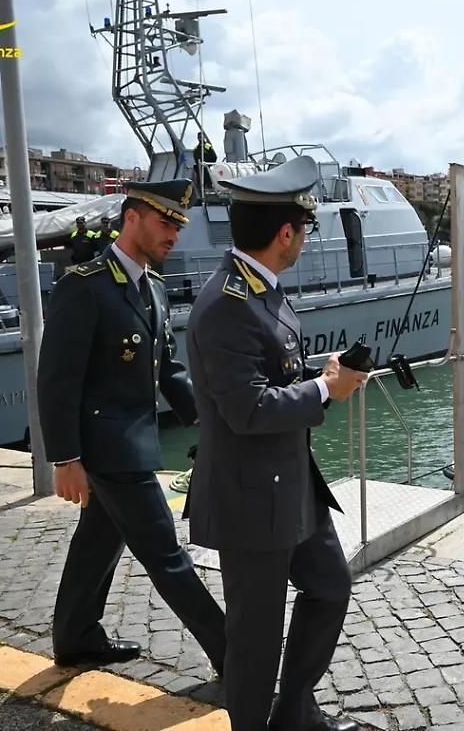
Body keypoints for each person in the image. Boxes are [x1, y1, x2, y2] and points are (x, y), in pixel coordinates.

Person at [184, 155, 366, 731]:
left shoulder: (260, 289)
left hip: (291, 487)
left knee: (330, 587)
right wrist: (324, 390)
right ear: (285, 233)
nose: (308, 239)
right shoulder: (225, 306)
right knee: (256, 639)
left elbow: (273, 373)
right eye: (305, 229)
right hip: (250, 499)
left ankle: (294, 713)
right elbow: (248, 408)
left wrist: (323, 372)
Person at [36, 179, 226, 676]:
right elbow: (57, 381)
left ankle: (76, 637)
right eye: (166, 223)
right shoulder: (84, 285)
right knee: (166, 554)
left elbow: (170, 370)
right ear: (133, 217)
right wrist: (65, 459)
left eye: (178, 226)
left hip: (132, 443)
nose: (174, 236)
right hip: (108, 451)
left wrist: (210, 425)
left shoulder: (153, 287)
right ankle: (236, 655)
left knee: (97, 540)